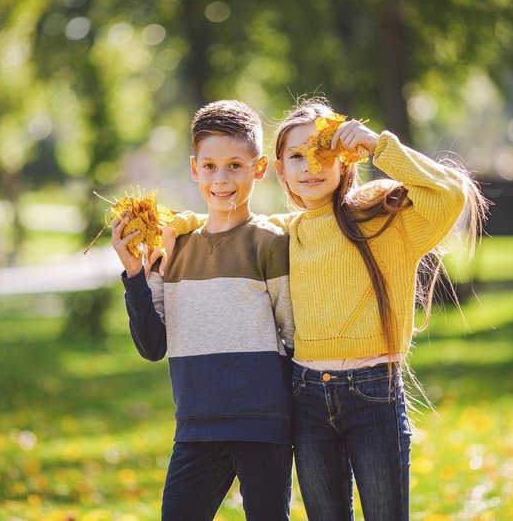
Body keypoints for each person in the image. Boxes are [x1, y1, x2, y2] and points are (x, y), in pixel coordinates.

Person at [166, 97, 487, 520]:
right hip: (308, 397)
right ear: (279, 170)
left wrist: (378, 145)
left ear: (345, 160)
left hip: (374, 393)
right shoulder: (287, 232)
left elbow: (450, 194)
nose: (310, 166)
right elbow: (225, 223)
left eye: (323, 152)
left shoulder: (382, 217)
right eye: (296, 156)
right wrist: (180, 224)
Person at [113, 100, 295, 521]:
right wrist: (136, 275)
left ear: (259, 168)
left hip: (262, 429)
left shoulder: (269, 244)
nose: (222, 179)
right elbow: (152, 346)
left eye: (235, 165)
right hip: (196, 428)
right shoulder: (172, 248)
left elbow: (292, 338)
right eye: (210, 166)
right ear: (195, 169)